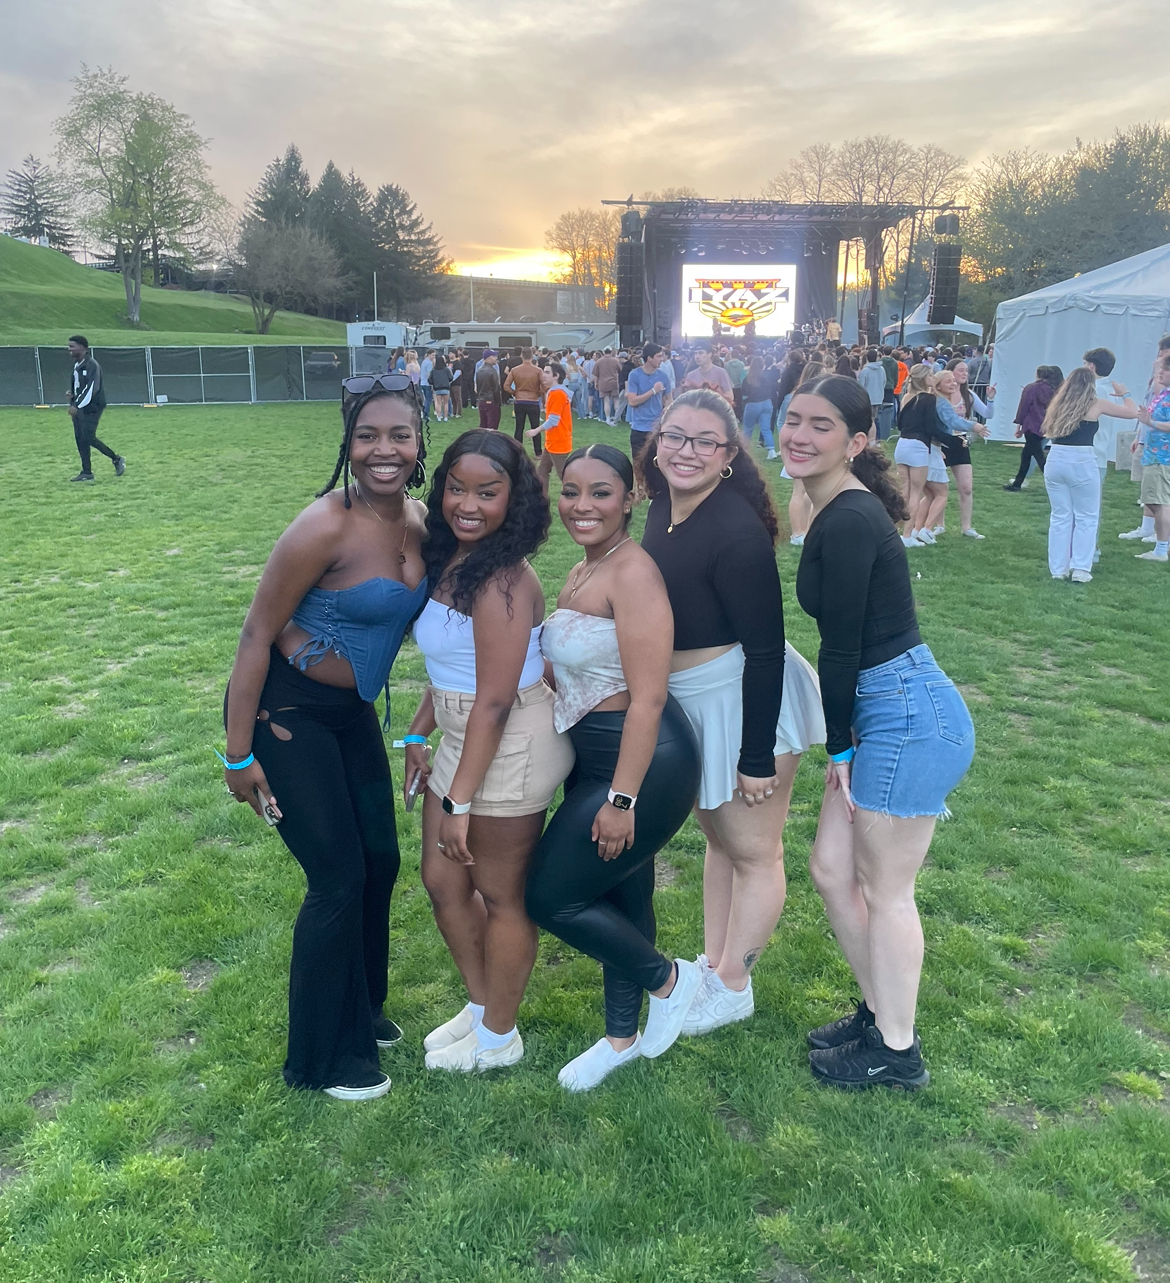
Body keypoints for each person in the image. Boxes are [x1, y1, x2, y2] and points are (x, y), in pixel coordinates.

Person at [221, 372, 430, 1101]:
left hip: (351, 714)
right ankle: (323, 1058)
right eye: (367, 436)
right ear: (347, 443)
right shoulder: (323, 525)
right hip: (287, 715)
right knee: (337, 876)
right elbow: (257, 632)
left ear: (420, 441)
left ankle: (361, 1005)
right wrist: (237, 752)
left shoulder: (421, 521)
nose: (383, 450)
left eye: (399, 434)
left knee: (380, 860)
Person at [779, 374, 974, 1090]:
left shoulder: (851, 518)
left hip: (905, 712)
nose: (799, 435)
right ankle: (879, 1010)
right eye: (794, 419)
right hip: (881, 705)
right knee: (832, 870)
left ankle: (897, 1049)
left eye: (821, 425)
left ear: (857, 442)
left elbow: (843, 647)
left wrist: (840, 744)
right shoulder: (831, 506)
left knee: (886, 888)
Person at [639, 389, 825, 1035]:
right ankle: (714, 967)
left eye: (705, 441)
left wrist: (755, 757)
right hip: (692, 700)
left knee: (753, 849)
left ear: (727, 456)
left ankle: (735, 985)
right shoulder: (661, 506)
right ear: (657, 443)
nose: (686, 451)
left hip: (747, 701)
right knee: (719, 840)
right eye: (675, 436)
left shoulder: (737, 532)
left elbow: (766, 651)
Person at [526, 445, 702, 1090]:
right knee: (623, 894)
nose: (582, 506)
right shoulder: (583, 568)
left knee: (550, 897)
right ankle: (621, 1038)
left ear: (631, 499)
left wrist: (622, 800)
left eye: (600, 492)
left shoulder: (632, 574)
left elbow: (649, 698)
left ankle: (672, 981)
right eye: (570, 491)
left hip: (645, 764)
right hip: (595, 755)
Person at [406, 431, 573, 1072]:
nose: (467, 505)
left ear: (514, 499)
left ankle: (500, 1037)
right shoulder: (454, 556)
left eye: (487, 492)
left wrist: (460, 802)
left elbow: (496, 699)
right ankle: (481, 1009)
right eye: (456, 489)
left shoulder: (504, 579)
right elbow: (451, 665)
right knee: (443, 881)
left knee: (500, 894)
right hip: (464, 731)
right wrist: (418, 733)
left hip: (511, 742)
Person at [1040, 367, 1144, 582]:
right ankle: (1080, 569)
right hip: (1082, 458)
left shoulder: (1057, 403)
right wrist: (1124, 394)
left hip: (1056, 457)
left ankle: (1058, 569)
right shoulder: (1095, 403)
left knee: (1060, 516)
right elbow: (1133, 412)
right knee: (1086, 516)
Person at [892, 365, 966, 548]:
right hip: (918, 446)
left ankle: (894, 532)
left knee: (904, 492)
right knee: (915, 493)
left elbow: (899, 423)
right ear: (924, 378)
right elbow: (931, 428)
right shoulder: (929, 398)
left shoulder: (907, 397)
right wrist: (954, 441)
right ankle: (907, 536)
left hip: (902, 444)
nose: (933, 377)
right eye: (931, 375)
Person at [935, 365, 990, 539]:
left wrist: (990, 399)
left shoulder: (969, 395)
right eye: (961, 370)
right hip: (942, 443)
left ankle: (967, 527)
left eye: (966, 370)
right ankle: (938, 525)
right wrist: (974, 426)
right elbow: (952, 421)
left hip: (960, 441)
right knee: (937, 488)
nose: (965, 373)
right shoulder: (938, 399)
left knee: (966, 487)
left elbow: (988, 413)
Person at [66, 335, 124, 482]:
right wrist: (72, 395)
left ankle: (116, 459)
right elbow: (80, 385)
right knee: (80, 438)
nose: (69, 349)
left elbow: (92, 388)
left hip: (93, 407)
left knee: (88, 437)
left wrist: (76, 405)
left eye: (72, 346)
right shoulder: (77, 365)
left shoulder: (92, 365)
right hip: (79, 406)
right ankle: (86, 472)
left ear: (82, 348)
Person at [1132, 353, 1170, 562]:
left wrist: (1151, 422)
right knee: (1155, 501)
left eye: (1164, 369)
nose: (1160, 372)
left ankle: (1161, 550)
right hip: (1154, 455)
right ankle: (1162, 545)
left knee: (1159, 502)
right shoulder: (1164, 393)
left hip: (1162, 458)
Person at [1004, 366, 1061, 491]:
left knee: (1039, 457)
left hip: (1031, 426)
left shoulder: (1030, 388)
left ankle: (1054, 483)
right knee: (1027, 455)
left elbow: (1023, 408)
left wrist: (1019, 425)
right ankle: (1017, 484)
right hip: (1045, 425)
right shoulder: (1053, 390)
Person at [525, 362, 574, 493]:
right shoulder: (555, 392)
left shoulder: (557, 394)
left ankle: (576, 497)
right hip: (553, 441)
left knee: (565, 477)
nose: (543, 375)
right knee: (542, 471)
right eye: (543, 372)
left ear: (556, 376)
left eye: (547, 372)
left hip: (559, 442)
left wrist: (535, 431)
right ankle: (542, 499)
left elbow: (553, 420)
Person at [625, 342, 673, 466]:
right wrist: (653, 391)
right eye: (659, 356)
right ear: (649, 358)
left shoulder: (663, 376)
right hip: (639, 428)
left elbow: (669, 399)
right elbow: (632, 401)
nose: (662, 359)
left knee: (657, 466)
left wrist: (667, 411)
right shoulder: (634, 375)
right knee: (638, 466)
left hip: (656, 429)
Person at [504, 348, 544, 457]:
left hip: (519, 401)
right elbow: (545, 385)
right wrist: (538, 393)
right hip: (533, 401)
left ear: (521, 356)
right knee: (535, 427)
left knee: (519, 427)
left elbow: (506, 386)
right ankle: (538, 453)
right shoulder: (538, 370)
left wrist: (514, 393)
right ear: (532, 356)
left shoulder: (514, 370)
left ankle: (518, 452)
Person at [741, 355, 779, 460]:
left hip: (753, 404)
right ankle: (771, 450)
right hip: (767, 403)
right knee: (766, 428)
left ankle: (745, 451)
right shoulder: (766, 377)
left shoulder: (748, 379)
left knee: (748, 428)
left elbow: (744, 393)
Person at [857, 348, 886, 441]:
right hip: (879, 397)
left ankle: (870, 438)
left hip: (868, 398)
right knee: (876, 419)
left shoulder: (865, 371)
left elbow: (861, 385)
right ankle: (878, 438)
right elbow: (884, 382)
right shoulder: (882, 369)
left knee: (869, 419)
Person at [593, 348, 622, 425]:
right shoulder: (615, 361)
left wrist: (596, 383)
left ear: (603, 352)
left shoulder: (599, 361)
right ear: (611, 352)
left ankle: (607, 418)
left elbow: (596, 374)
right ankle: (617, 417)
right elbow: (620, 370)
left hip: (603, 383)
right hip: (613, 383)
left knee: (606, 401)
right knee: (616, 400)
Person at [475, 350, 502, 432]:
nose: (496, 358)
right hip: (491, 400)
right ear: (489, 358)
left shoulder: (479, 370)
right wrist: (499, 402)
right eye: (494, 356)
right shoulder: (492, 371)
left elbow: (478, 386)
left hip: (482, 400)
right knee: (492, 426)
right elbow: (496, 388)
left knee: (483, 425)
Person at [430, 353, 452, 422]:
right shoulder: (446, 369)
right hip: (446, 388)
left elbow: (429, 379)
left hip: (437, 388)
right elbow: (451, 378)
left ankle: (439, 417)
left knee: (439, 403)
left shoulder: (434, 370)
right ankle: (445, 417)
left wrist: (434, 383)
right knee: (446, 403)